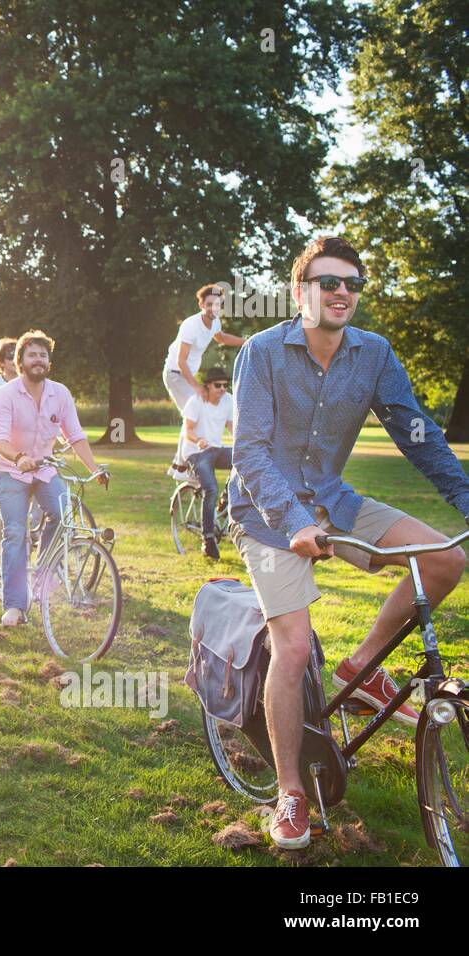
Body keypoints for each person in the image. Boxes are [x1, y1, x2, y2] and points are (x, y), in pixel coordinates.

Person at [229, 235, 469, 850]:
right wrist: (292, 524)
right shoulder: (260, 352)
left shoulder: (375, 354)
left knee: (445, 561)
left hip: (336, 502)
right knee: (294, 644)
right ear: (299, 291)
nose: (342, 292)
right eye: (328, 282)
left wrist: (467, 499)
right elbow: (251, 452)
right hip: (268, 513)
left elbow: (417, 433)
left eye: (352, 283)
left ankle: (362, 667)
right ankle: (289, 792)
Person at [0, 330, 109, 627]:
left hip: (44, 469)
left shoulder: (61, 393)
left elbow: (76, 435)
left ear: (49, 362)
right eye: (32, 354)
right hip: (11, 470)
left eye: (43, 355)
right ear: (20, 362)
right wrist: (19, 457)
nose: (38, 360)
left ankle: (43, 576)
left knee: (63, 515)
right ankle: (15, 607)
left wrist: (94, 469)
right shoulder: (7, 394)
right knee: (16, 533)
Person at [164, 284, 244, 477]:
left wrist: (247, 341)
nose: (213, 308)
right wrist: (197, 386)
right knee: (193, 414)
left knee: (196, 415)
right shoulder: (190, 325)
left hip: (188, 374)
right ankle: (182, 467)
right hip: (176, 374)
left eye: (217, 305)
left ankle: (182, 465)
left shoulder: (215, 322)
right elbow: (181, 361)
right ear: (201, 304)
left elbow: (222, 338)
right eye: (209, 304)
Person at [180, 366, 234, 559]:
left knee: (244, 459)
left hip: (216, 449)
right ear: (208, 386)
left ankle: (226, 499)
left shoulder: (228, 401)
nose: (222, 389)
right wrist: (199, 440)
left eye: (225, 385)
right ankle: (208, 540)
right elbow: (188, 431)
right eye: (218, 385)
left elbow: (231, 426)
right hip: (196, 452)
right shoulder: (196, 402)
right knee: (210, 489)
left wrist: (245, 443)